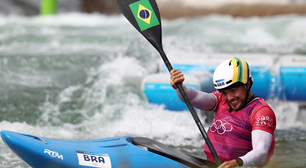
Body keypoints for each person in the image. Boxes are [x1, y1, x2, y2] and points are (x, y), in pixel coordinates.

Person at [170, 57, 276, 168]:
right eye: (224, 92)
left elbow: (261, 152)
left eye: (233, 91)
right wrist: (179, 86)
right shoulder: (221, 99)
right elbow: (192, 98)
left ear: (248, 84)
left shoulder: (261, 111)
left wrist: (236, 163)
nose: (229, 98)